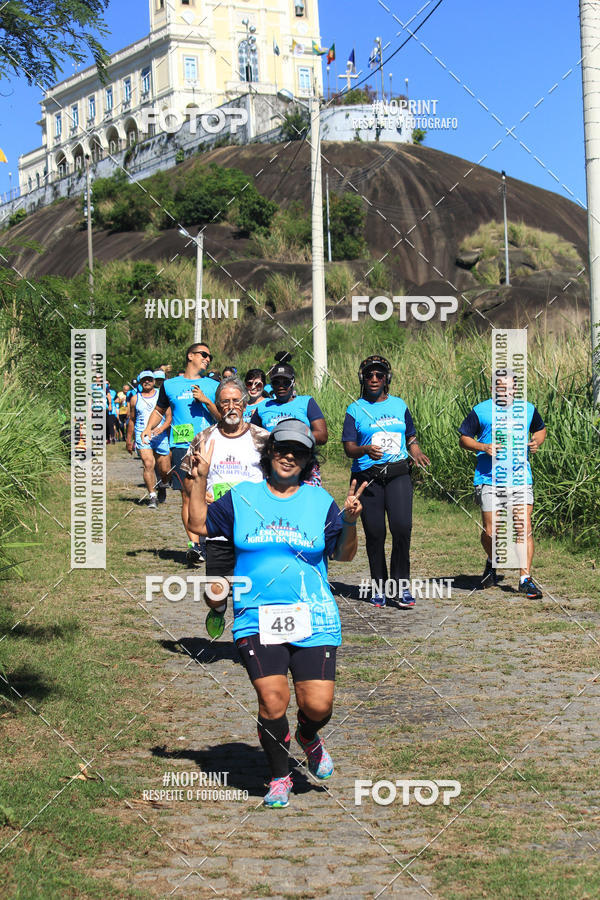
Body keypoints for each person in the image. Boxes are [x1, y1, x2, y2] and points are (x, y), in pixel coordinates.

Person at [187, 419, 365, 808]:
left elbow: (344, 554)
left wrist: (350, 521)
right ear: (269, 453)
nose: (289, 456)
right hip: (256, 615)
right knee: (272, 700)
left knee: (317, 706)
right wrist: (199, 479)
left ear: (308, 460)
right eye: (282, 449)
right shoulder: (242, 496)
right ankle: (280, 775)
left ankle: (307, 735)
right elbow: (198, 523)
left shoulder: (320, 502)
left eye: (298, 452)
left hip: (314, 615)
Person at [181, 376, 269, 637]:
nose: (231, 407)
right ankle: (218, 610)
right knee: (215, 594)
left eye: (236, 401)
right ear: (217, 405)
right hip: (218, 528)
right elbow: (188, 481)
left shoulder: (263, 438)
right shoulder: (204, 438)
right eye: (225, 402)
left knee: (253, 591)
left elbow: (278, 481)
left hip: (254, 529)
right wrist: (201, 493)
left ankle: (250, 638)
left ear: (245, 404)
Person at [342, 355, 430, 609]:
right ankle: (379, 586)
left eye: (379, 374)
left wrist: (416, 451)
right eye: (369, 374)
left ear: (386, 378)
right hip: (368, 478)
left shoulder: (399, 405)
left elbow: (410, 436)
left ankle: (400, 586)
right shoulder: (355, 409)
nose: (374, 378)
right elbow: (349, 447)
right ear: (362, 378)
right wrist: (365, 449)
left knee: (402, 528)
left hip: (398, 474)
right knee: (375, 533)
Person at [458, 372, 546, 598]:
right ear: (492, 389)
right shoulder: (481, 410)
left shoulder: (527, 409)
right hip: (489, 479)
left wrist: (536, 441)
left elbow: (540, 428)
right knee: (491, 532)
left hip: (520, 479)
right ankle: (492, 560)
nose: (506, 392)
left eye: (510, 388)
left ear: (515, 389)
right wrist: (483, 447)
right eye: (501, 388)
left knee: (523, 527)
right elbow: (463, 439)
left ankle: (525, 579)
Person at [141, 342, 220, 565]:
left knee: (210, 495)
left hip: (208, 444)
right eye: (203, 354)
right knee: (187, 495)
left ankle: (210, 540)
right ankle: (195, 546)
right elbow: (159, 410)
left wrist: (206, 400)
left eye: (209, 356)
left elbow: (221, 416)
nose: (207, 359)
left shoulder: (213, 385)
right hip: (181, 445)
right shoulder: (170, 385)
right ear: (190, 356)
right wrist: (148, 427)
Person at [250, 354, 327, 485]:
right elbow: (251, 436)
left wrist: (292, 438)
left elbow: (322, 435)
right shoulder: (263, 407)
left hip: (303, 465)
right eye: (276, 382)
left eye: (285, 382)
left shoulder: (306, 402)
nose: (281, 386)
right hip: (274, 467)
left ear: (293, 382)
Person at [126, 371, 171, 508]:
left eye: (149, 379)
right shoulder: (135, 399)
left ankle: (162, 484)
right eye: (144, 380)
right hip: (143, 436)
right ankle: (152, 496)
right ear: (140, 382)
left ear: (154, 380)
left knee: (165, 470)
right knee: (148, 464)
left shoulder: (161, 395)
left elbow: (169, 417)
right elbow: (132, 420)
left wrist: (162, 428)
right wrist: (129, 439)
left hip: (160, 435)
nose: (147, 382)